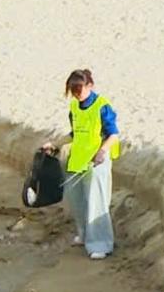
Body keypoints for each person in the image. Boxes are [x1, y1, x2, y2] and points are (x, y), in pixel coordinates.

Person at [45, 69, 119, 260]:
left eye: (79, 89)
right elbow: (75, 133)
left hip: (97, 160)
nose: (77, 93)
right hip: (79, 159)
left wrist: (102, 151)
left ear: (89, 86)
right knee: (78, 200)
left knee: (96, 201)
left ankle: (101, 243)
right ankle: (85, 234)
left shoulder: (102, 106)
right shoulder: (75, 107)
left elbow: (113, 134)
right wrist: (55, 145)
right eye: (73, 90)